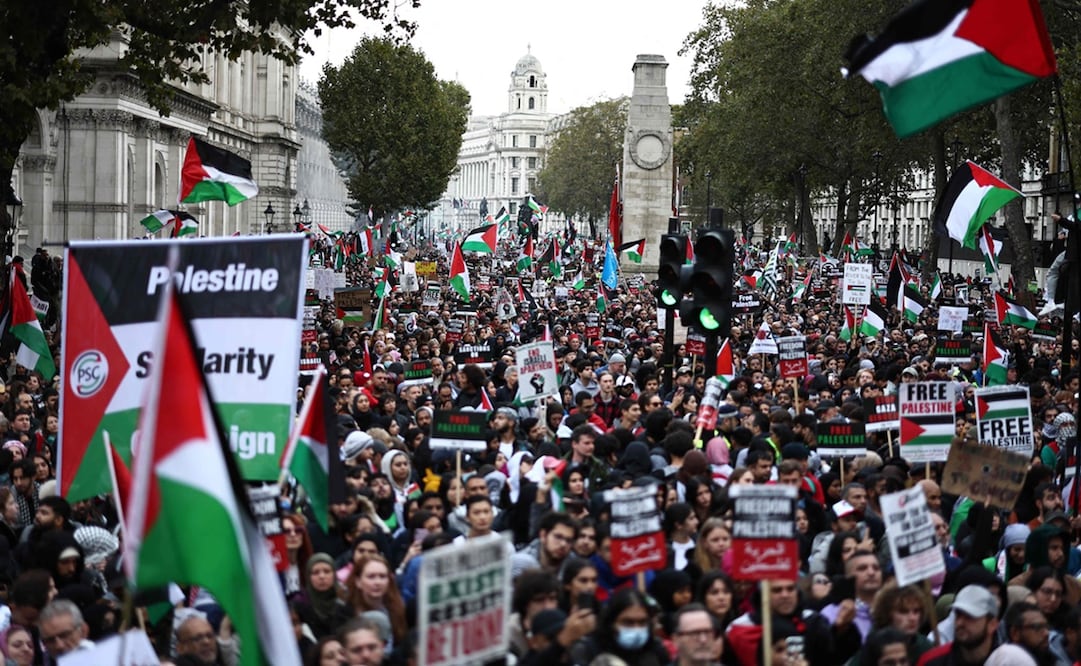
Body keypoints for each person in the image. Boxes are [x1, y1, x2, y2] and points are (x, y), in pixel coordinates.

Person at [569, 588, 670, 665]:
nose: (636, 628)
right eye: (628, 622)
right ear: (611, 623)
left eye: (642, 622)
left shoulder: (656, 651)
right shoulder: (588, 650)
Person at [917, 585, 1000, 666]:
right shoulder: (931, 661)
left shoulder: (1005, 661)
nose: (960, 623)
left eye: (970, 616)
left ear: (992, 624)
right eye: (958, 615)